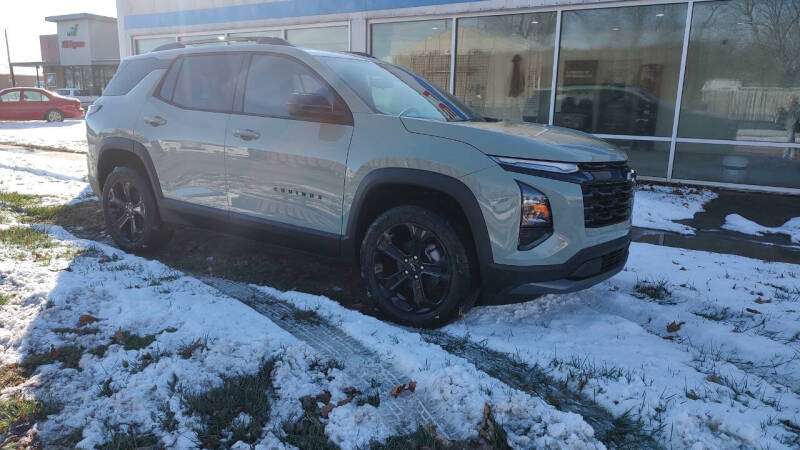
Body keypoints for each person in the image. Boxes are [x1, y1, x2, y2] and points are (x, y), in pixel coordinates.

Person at [783, 95, 799, 160]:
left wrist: (790, 109)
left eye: (790, 98)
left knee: (789, 140)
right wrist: (782, 110)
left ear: (794, 99)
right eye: (788, 99)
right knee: (792, 140)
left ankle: (785, 154)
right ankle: (792, 155)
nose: (789, 100)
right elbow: (787, 115)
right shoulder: (790, 105)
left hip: (793, 125)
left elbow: (797, 115)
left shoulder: (797, 106)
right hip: (789, 124)